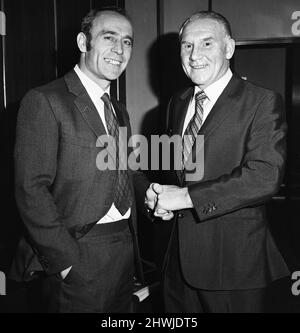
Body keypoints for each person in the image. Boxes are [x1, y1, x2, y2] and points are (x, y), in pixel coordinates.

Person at [146, 11, 290, 313]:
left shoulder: (261, 101)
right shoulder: (178, 102)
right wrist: (161, 198)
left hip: (233, 268)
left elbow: (264, 176)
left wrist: (184, 198)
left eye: (207, 43)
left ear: (229, 48)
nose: (194, 55)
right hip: (176, 266)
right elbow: (183, 172)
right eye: (187, 46)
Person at [10, 8, 151, 313]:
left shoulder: (117, 110)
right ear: (83, 42)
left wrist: (149, 193)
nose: (119, 49)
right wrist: (64, 262)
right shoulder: (45, 100)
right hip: (77, 251)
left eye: (127, 42)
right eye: (108, 37)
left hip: (124, 249)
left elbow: (121, 169)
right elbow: (30, 189)